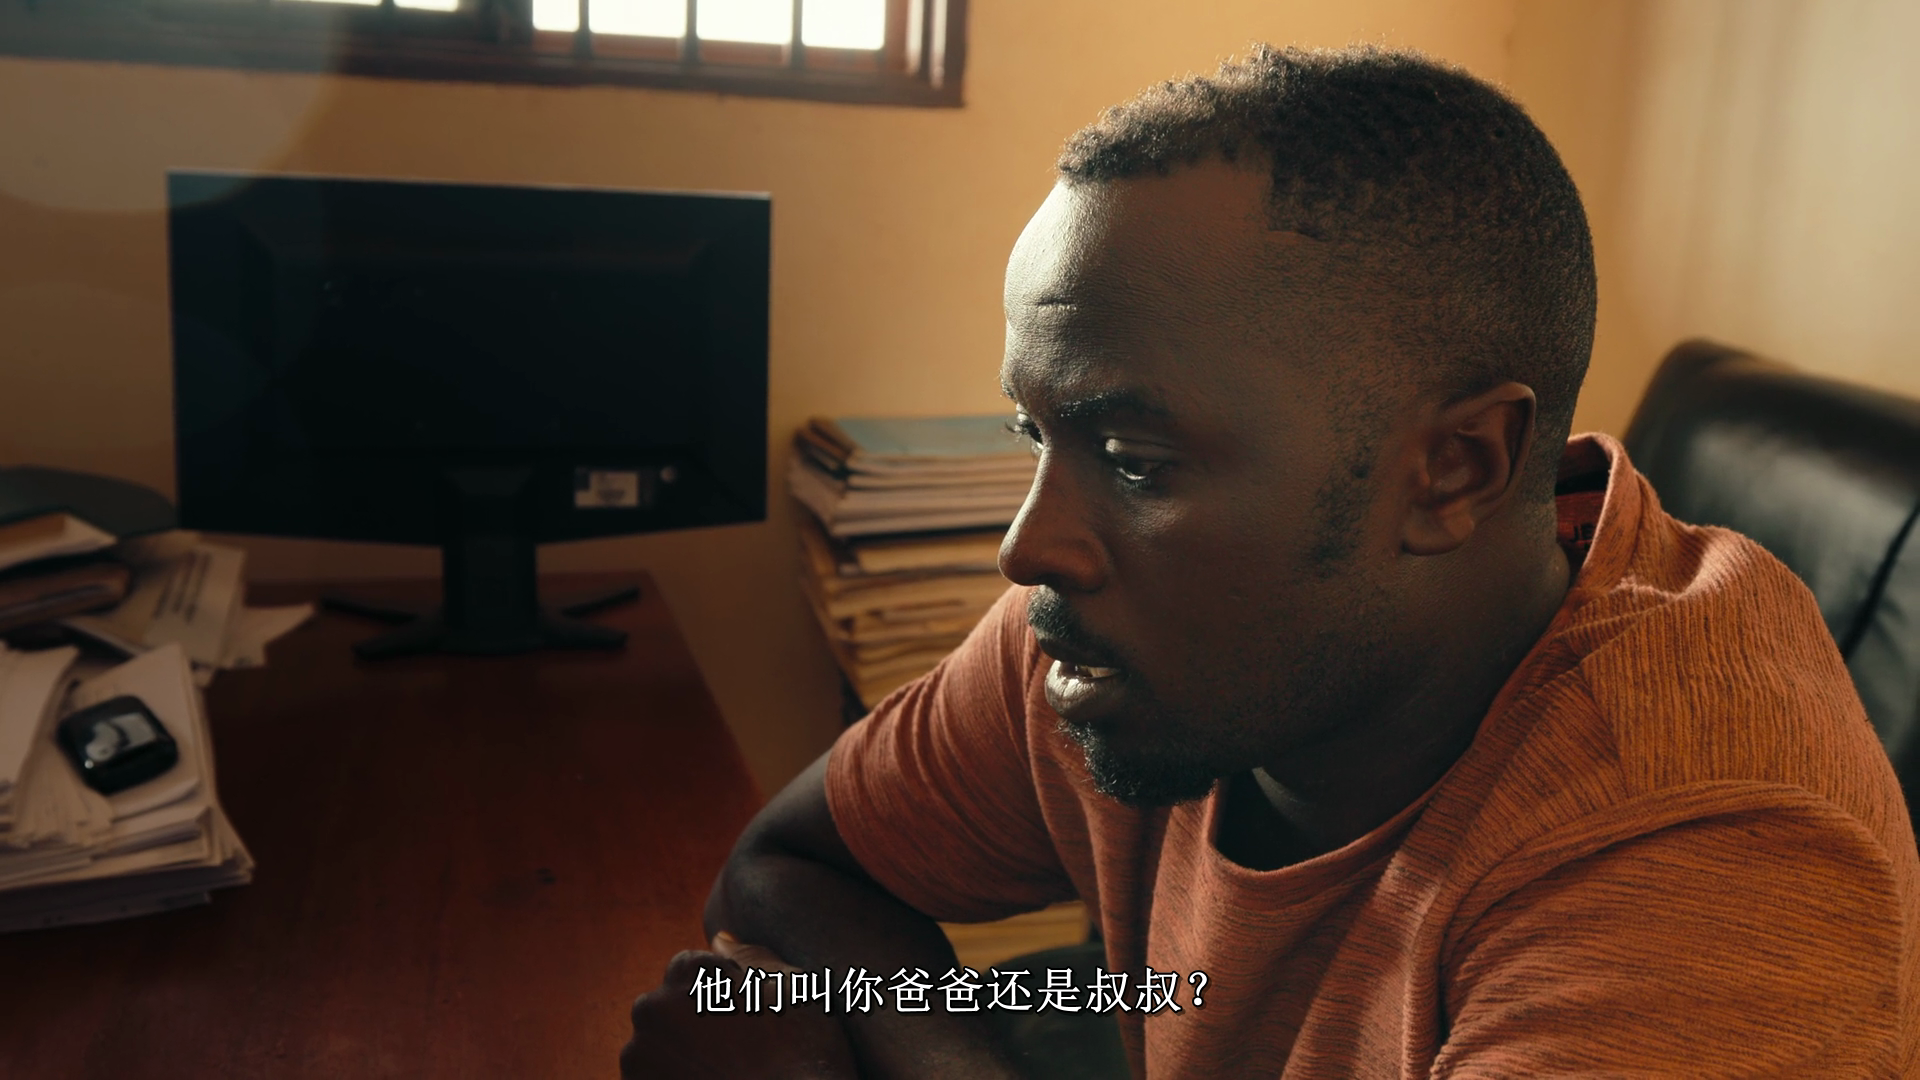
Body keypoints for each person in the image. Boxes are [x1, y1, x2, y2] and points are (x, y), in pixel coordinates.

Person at [623, 44, 1920, 1078]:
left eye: (1136, 459)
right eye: (1037, 433)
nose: (1029, 547)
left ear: (1454, 471)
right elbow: (787, 868)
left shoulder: (1707, 872)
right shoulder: (1122, 630)